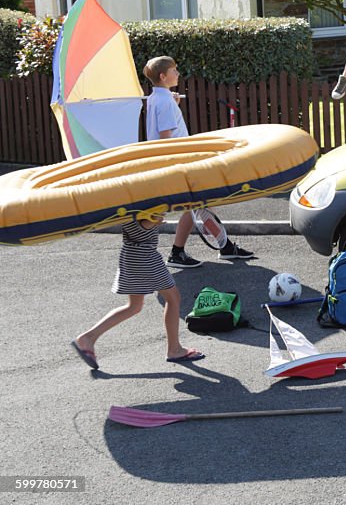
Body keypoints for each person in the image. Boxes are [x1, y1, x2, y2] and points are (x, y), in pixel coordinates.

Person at [143, 56, 253, 266]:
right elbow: (165, 137)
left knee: (199, 205)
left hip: (174, 163)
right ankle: (175, 253)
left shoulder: (157, 98)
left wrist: (173, 104)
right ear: (163, 76)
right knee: (195, 205)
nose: (178, 74)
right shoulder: (164, 101)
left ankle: (223, 247)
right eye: (174, 70)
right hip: (178, 163)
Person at [71, 213, 205, 368]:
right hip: (145, 257)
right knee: (173, 298)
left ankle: (88, 338)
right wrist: (155, 220)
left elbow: (136, 226)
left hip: (130, 255)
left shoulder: (126, 205)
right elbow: (141, 227)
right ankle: (174, 350)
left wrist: (153, 221)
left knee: (134, 307)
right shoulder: (141, 207)